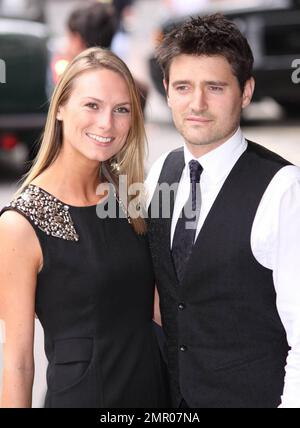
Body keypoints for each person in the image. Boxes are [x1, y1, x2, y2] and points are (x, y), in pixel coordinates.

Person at [0, 47, 170, 408]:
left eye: (121, 109)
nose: (107, 123)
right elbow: (17, 362)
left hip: (157, 392)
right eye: (92, 105)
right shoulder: (19, 224)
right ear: (60, 107)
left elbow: (160, 308)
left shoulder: (131, 199)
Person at [146, 14, 300, 408]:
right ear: (166, 90)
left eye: (214, 87)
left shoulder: (284, 190)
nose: (196, 103)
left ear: (245, 92)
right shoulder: (161, 173)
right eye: (183, 87)